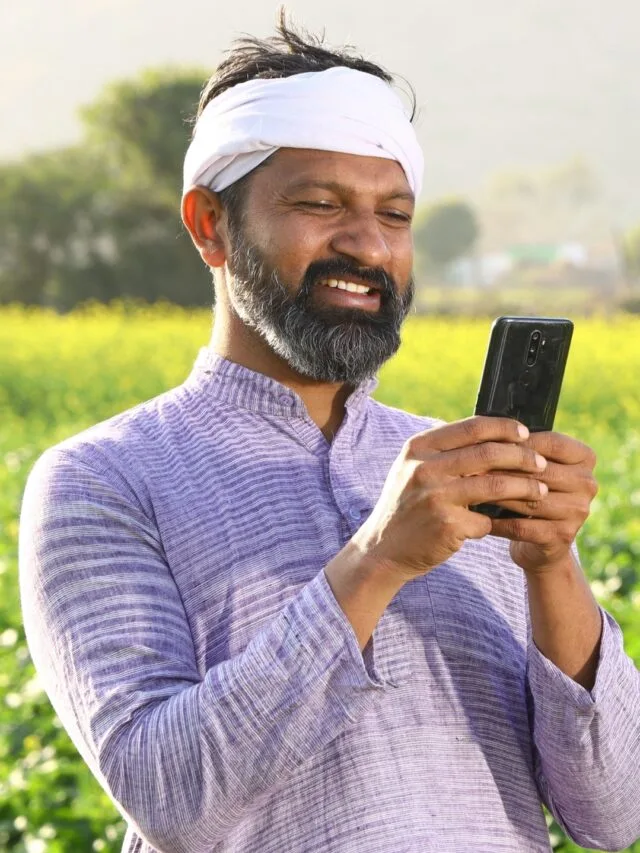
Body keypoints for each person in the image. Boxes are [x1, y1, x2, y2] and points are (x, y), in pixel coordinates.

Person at [19, 16, 640, 853]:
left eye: (394, 213)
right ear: (210, 224)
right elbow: (168, 798)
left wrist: (549, 562)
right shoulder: (104, 479)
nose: (367, 244)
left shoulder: (460, 472)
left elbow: (617, 812)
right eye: (319, 204)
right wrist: (377, 560)